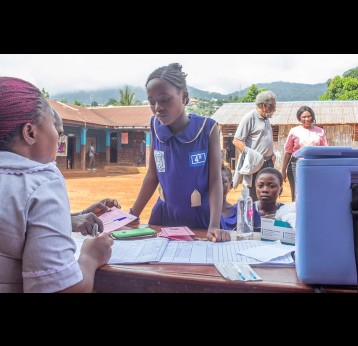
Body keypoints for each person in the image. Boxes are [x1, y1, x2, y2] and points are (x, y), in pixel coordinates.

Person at [0, 76, 113, 293]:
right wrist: (91, 256)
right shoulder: (41, 181)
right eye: (53, 127)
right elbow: (60, 289)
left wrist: (67, 219)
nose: (58, 138)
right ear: (30, 133)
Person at [130, 63, 230, 243]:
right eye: (152, 101)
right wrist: (132, 215)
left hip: (200, 220)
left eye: (164, 99)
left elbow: (215, 180)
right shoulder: (155, 126)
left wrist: (214, 225)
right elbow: (152, 175)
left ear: (184, 97)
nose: (157, 107)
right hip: (163, 217)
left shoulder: (207, 128)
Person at [53, 108, 120, 236]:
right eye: (58, 134)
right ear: (30, 133)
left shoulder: (48, 173)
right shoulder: (29, 181)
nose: (59, 142)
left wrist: (82, 214)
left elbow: (43, 218)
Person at [232, 90, 277, 202]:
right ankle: (253, 218)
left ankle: (265, 217)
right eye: (272, 106)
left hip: (268, 163)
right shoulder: (250, 117)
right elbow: (237, 141)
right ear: (264, 105)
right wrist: (254, 157)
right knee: (254, 194)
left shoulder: (266, 119)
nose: (274, 109)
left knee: (268, 193)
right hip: (256, 164)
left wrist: (272, 154)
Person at [281, 106, 328, 201]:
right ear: (299, 118)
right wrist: (283, 170)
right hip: (296, 164)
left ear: (312, 117)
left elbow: (324, 150)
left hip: (315, 165)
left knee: (313, 191)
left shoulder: (320, 131)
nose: (307, 119)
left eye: (309, 116)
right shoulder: (294, 131)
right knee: (297, 194)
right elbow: (288, 152)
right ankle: (297, 215)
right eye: (304, 117)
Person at [253, 167, 285, 232]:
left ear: (280, 190)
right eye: (260, 186)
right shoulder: (245, 210)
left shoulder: (286, 213)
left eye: (272, 186)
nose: (265, 190)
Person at [220, 164, 237, 231]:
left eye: (223, 182)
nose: (218, 185)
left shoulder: (238, 212)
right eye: (214, 181)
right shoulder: (202, 213)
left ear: (231, 185)